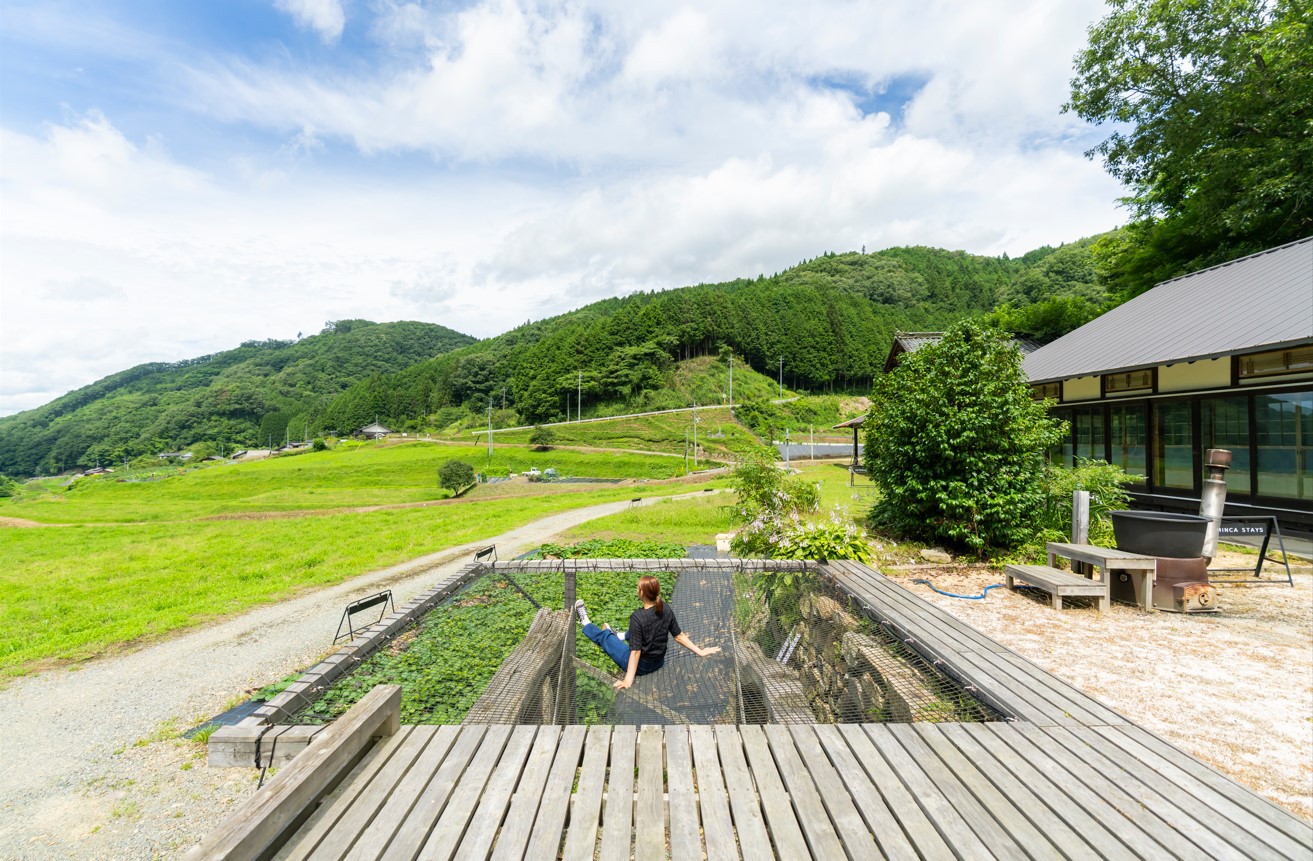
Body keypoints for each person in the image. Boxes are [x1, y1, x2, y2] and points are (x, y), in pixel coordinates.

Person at [574, 574, 721, 690]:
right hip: (659, 662)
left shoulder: (637, 617)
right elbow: (679, 636)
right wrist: (700, 651)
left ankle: (586, 623)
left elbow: (636, 652)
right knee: (642, 630)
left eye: (638, 588)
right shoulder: (665, 608)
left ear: (642, 592)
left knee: (606, 638)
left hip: (641, 666)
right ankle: (621, 635)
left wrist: (628, 680)